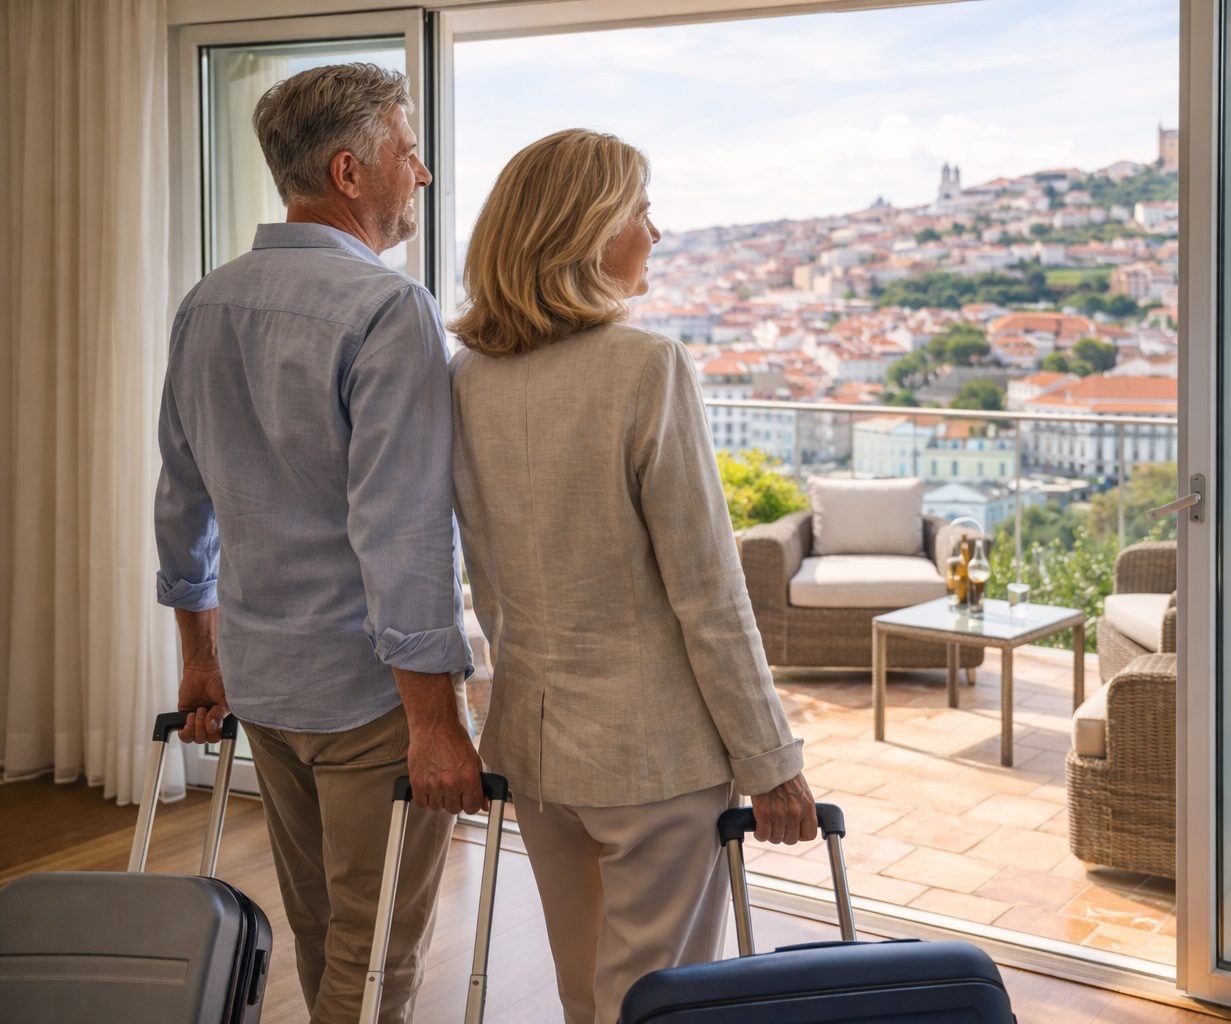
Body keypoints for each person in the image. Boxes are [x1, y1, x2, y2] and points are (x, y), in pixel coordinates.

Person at [449, 128, 819, 1024]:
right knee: (660, 1005)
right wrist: (772, 763)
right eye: (641, 210)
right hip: (653, 757)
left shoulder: (467, 377)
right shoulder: (646, 368)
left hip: (534, 751)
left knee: (585, 995)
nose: (657, 231)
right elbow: (710, 595)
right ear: (586, 229)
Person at [153, 63, 484, 1024]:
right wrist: (435, 722)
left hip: (263, 677)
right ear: (351, 172)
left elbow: (183, 503)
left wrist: (201, 663)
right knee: (376, 954)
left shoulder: (205, 303)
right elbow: (405, 532)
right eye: (409, 153)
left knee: (324, 932)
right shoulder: (389, 309)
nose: (421, 175)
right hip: (369, 697)